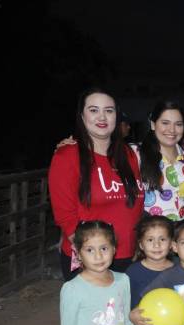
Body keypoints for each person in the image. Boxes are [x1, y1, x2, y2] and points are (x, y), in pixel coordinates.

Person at [49, 88, 144, 281]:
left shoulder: (129, 155)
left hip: (129, 256)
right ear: (82, 116)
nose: (102, 116)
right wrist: (92, 257)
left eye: (109, 110)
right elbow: (65, 216)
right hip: (91, 259)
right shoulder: (67, 155)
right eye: (93, 110)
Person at [139, 100, 184, 220]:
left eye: (178, 124)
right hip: (151, 233)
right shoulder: (137, 154)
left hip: (180, 232)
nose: (172, 130)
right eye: (165, 123)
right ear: (153, 124)